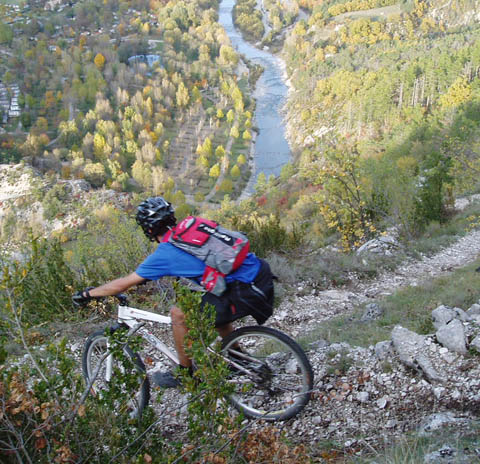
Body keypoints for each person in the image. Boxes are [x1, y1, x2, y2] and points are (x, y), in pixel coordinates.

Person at [73, 196, 274, 388]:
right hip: (259, 274)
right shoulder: (192, 225)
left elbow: (124, 283)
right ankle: (239, 359)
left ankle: (185, 374)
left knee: (178, 314)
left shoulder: (165, 253)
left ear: (148, 229)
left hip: (245, 289)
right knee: (213, 299)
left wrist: (88, 294)